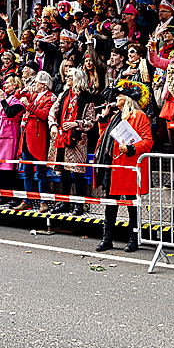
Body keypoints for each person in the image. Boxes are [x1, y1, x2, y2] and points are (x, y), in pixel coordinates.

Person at [95, 79, 153, 252]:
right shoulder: (116, 116)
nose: (116, 98)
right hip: (114, 165)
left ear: (127, 99)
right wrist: (103, 120)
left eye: (119, 96)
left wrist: (131, 148)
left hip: (129, 166)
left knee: (131, 205)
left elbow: (148, 142)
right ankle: (107, 238)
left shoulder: (139, 116)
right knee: (110, 204)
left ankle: (134, 238)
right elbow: (105, 138)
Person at [48, 68, 97, 215]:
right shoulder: (63, 94)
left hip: (78, 140)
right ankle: (65, 203)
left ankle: (78, 205)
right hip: (62, 138)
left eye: (69, 77)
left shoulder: (87, 97)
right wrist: (53, 125)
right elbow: (52, 111)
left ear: (77, 79)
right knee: (64, 172)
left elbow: (91, 121)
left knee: (77, 173)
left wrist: (76, 123)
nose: (66, 79)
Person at [0, 74, 26, 206]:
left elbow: (9, 113)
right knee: (0, 166)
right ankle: (3, 196)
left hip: (9, 133)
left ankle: (15, 197)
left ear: (15, 85)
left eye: (8, 83)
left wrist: (3, 100)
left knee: (9, 167)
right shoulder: (3, 98)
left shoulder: (18, 100)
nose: (5, 85)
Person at [18, 71, 54, 212]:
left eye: (37, 82)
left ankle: (43, 201)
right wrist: (24, 90)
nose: (34, 85)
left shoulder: (50, 97)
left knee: (40, 172)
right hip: (26, 136)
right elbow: (17, 95)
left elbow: (44, 115)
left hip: (38, 138)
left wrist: (29, 106)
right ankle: (27, 199)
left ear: (44, 85)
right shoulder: (33, 94)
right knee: (27, 171)